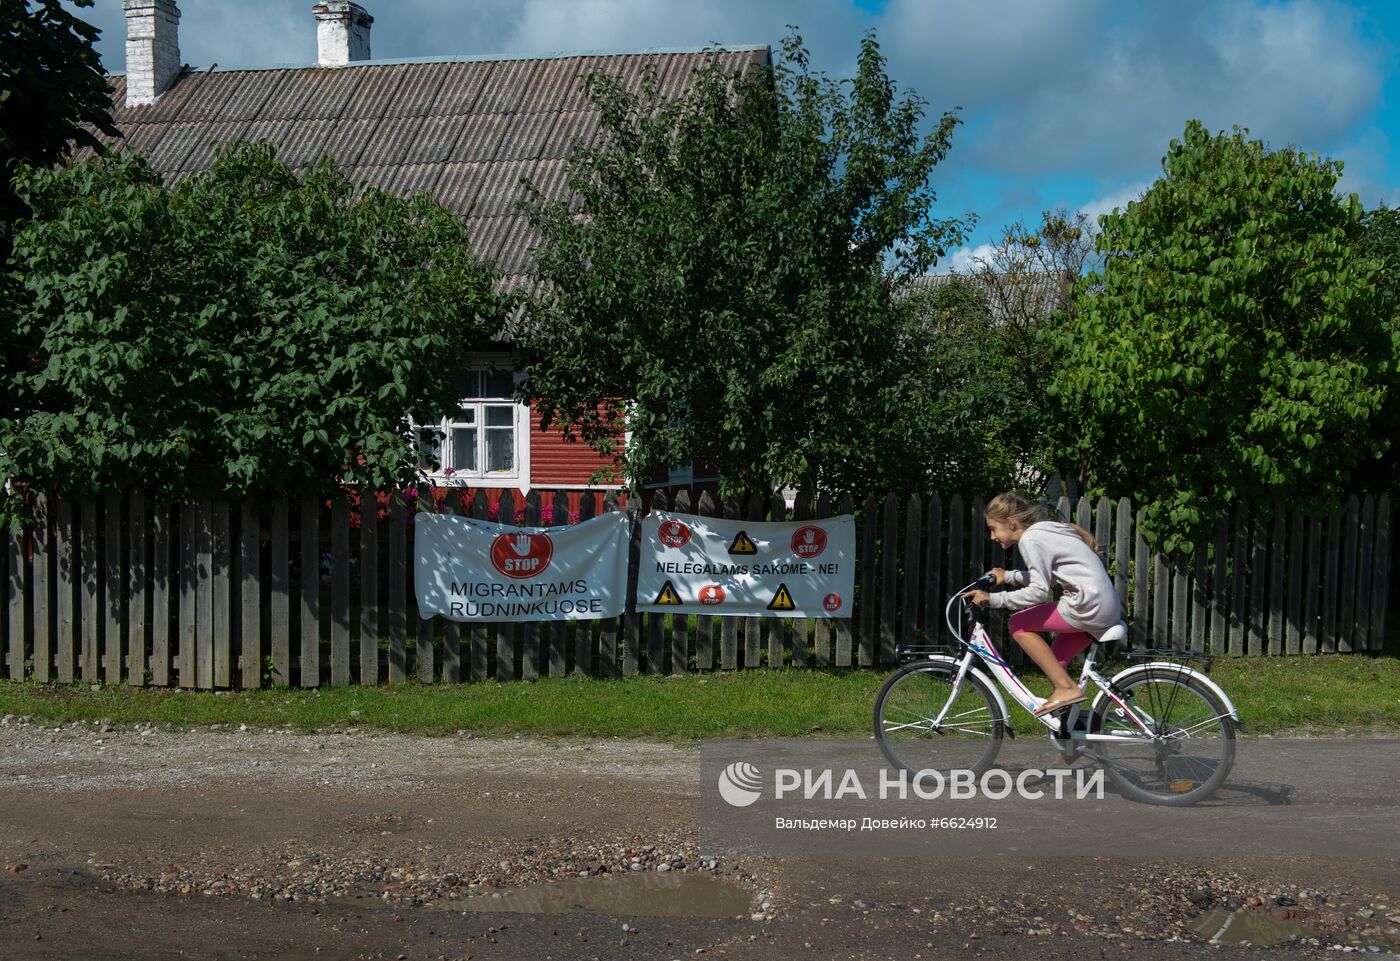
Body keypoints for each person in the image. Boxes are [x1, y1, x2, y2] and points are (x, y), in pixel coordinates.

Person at [963, 491, 1122, 716]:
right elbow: (1047, 576)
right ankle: (1067, 730)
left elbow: (1038, 592)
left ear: (1010, 523)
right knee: (1055, 663)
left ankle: (1067, 690)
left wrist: (993, 599)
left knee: (1018, 624)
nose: (992, 536)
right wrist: (1008, 576)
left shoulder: (1031, 540)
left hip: (1087, 606)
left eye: (993, 528)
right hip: (1103, 605)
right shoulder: (1045, 531)